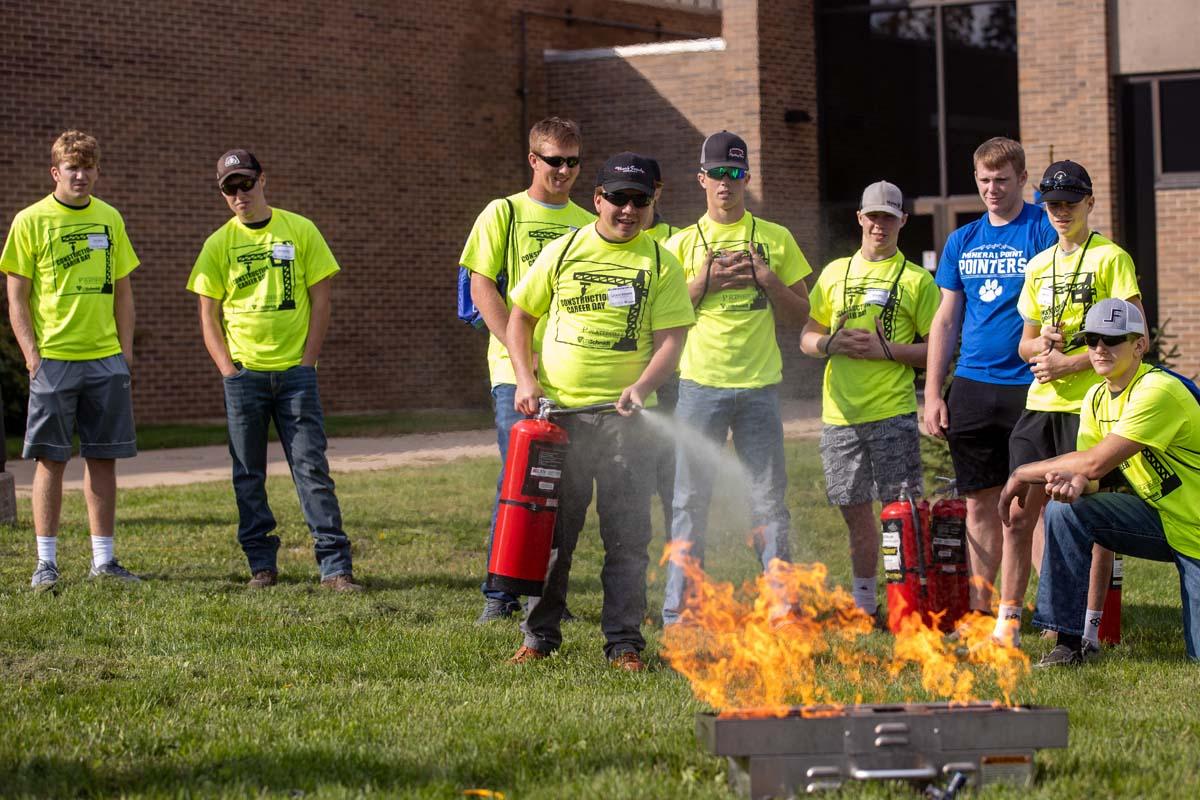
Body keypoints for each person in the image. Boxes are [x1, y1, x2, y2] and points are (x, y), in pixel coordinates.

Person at [505, 152, 694, 671]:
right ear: (598, 199)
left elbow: (672, 338)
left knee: (627, 536)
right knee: (552, 535)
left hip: (626, 421)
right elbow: (520, 316)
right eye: (618, 198)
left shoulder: (660, 261)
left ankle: (625, 643)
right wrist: (525, 377)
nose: (628, 209)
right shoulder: (565, 250)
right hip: (560, 418)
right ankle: (539, 636)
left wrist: (642, 385)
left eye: (640, 200)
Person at [187, 149, 361, 591]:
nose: (239, 195)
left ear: (263, 180)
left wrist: (307, 362)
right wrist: (229, 370)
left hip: (295, 377)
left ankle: (335, 568)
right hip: (245, 377)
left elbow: (321, 299)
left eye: (246, 183)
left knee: (311, 469)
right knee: (248, 473)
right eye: (230, 188)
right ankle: (261, 566)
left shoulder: (300, 230)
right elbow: (208, 315)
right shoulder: (218, 244)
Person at [661, 130, 812, 626]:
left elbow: (801, 314)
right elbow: (661, 317)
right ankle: (682, 607)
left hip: (759, 386)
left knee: (767, 495)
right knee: (688, 497)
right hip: (699, 385)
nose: (725, 183)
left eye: (735, 173)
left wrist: (768, 279)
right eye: (716, 174)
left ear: (746, 176)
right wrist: (703, 283)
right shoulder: (679, 243)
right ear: (701, 178)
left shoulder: (775, 237)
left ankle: (781, 602)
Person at [1000, 299, 1200, 665]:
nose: (1099, 349)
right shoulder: (1095, 398)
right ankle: (1067, 644)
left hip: (1196, 532)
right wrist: (1077, 485)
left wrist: (1020, 472)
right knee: (1065, 511)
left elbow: (1093, 461)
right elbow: (1092, 476)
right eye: (1091, 340)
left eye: (1112, 339)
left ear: (1139, 345)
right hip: (1161, 518)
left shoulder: (1158, 391)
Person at [459, 117, 596, 623]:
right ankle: (500, 595)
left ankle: (547, 596)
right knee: (521, 481)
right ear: (533, 159)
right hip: (514, 373)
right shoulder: (505, 213)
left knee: (568, 487)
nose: (563, 170)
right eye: (553, 160)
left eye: (573, 161)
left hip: (572, 375)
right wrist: (523, 362)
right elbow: (482, 289)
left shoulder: (588, 223)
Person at [1002, 160, 1142, 647]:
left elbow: (1134, 332)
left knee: (1089, 516)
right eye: (1052, 205)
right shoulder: (1038, 266)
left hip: (1092, 405)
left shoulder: (1110, 258)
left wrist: (1072, 364)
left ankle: (1088, 630)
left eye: (1069, 203)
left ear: (1090, 203)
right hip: (1040, 402)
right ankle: (1007, 625)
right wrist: (1042, 349)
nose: (1060, 212)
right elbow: (1023, 344)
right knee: (1020, 512)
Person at [923, 138, 1056, 620]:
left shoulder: (1042, 230)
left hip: (1032, 386)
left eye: (1002, 179)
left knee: (1033, 507)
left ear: (1022, 178)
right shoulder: (963, 240)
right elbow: (945, 321)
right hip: (974, 388)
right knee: (980, 505)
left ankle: (1048, 613)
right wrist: (935, 392)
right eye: (983, 180)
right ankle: (981, 613)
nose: (992, 189)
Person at [2, 130, 141, 591]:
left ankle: (104, 561)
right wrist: (32, 357)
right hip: (54, 361)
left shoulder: (110, 219)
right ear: (55, 172)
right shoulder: (31, 220)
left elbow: (124, 292)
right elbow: (16, 297)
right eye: (71, 167)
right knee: (50, 460)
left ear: (97, 171)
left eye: (88, 167)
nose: (80, 174)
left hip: (105, 360)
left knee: (103, 460)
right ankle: (47, 564)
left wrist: (125, 352)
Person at [800, 181, 939, 620]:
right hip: (839, 415)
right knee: (854, 512)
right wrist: (830, 344)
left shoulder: (916, 280)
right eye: (872, 216)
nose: (880, 224)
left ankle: (910, 604)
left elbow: (939, 351)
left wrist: (888, 351)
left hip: (892, 412)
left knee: (901, 514)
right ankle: (864, 604)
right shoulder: (834, 273)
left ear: (903, 221)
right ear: (860, 218)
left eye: (889, 217)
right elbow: (806, 337)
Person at [640, 157, 679, 536]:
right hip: (618, 377)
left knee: (671, 476)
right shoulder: (595, 239)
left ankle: (676, 566)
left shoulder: (677, 241)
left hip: (668, 379)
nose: (632, 206)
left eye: (643, 195)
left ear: (658, 191)